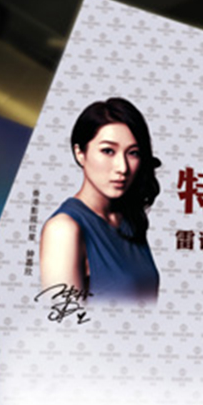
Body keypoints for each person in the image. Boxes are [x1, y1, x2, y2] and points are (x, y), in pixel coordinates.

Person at [39, 98, 161, 302]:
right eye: (108, 151)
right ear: (80, 153)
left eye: (133, 153)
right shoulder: (63, 230)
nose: (122, 167)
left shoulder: (128, 220)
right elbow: (62, 319)